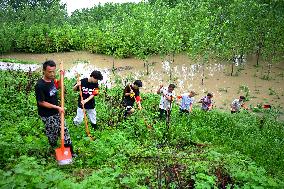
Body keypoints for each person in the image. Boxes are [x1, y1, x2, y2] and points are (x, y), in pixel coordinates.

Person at [35, 60, 76, 157]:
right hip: (47, 115)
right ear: (44, 71)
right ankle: (52, 147)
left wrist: (62, 76)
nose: (52, 74)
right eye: (50, 72)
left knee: (64, 130)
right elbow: (41, 102)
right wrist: (57, 107)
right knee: (52, 134)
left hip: (57, 111)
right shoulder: (40, 86)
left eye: (54, 71)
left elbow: (58, 87)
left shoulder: (52, 80)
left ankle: (71, 152)